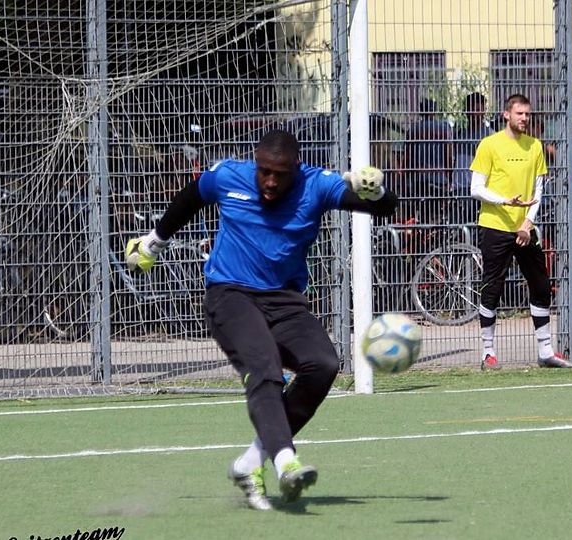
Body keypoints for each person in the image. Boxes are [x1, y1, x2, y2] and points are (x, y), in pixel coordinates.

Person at [124, 130, 398, 510]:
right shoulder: (228, 176)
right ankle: (286, 463)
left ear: (296, 168)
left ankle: (250, 463)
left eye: (280, 174)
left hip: (285, 301)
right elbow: (191, 197)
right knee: (266, 369)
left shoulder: (316, 185)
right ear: (255, 163)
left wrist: (376, 191)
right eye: (264, 171)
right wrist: (154, 241)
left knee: (323, 365)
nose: (270, 181)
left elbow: (384, 209)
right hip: (230, 295)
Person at [469, 93, 572, 369]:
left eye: (528, 114)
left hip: (526, 229)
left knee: (541, 285)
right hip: (495, 227)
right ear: (506, 114)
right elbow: (476, 188)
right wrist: (505, 201)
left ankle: (546, 352)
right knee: (492, 288)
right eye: (519, 113)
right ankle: (488, 353)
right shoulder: (489, 145)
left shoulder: (535, 146)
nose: (525, 118)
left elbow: (538, 190)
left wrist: (528, 222)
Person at [405, 98, 453, 224]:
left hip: (419, 179)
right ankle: (435, 232)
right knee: (437, 213)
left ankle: (424, 231)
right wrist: (449, 178)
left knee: (423, 212)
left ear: (421, 111)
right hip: (439, 178)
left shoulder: (412, 130)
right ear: (434, 111)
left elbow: (408, 157)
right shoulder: (444, 129)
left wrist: (408, 178)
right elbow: (448, 155)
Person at [452, 92, 493, 226]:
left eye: (479, 110)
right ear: (466, 111)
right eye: (473, 109)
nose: (476, 114)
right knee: (462, 226)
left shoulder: (491, 136)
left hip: (482, 187)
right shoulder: (458, 135)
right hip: (461, 187)